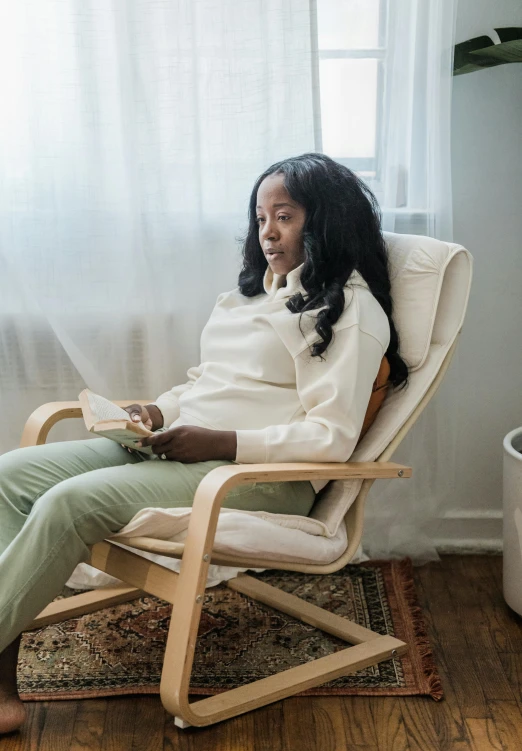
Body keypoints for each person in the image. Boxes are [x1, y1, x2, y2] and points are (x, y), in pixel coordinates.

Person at [0, 152, 408, 734]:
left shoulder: (349, 312)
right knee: (9, 475)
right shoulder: (249, 296)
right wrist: (157, 410)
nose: (268, 231)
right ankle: (1, 678)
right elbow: (205, 383)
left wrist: (218, 441)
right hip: (183, 448)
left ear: (325, 222)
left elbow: (332, 436)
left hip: (261, 481)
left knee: (72, 502)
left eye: (285, 216)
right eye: (261, 216)